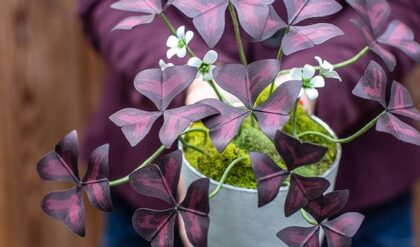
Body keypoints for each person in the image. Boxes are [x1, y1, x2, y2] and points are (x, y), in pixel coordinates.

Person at [78, 0, 420, 246]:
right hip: (152, 192)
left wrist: (303, 88)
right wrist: (195, 82)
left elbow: (399, 10)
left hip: (359, 196)